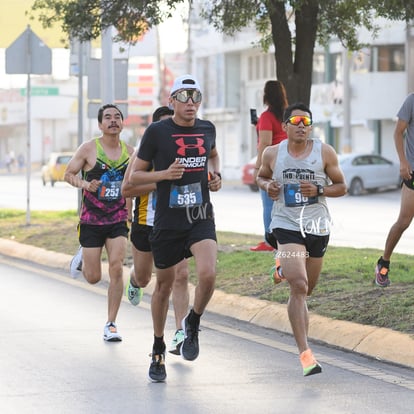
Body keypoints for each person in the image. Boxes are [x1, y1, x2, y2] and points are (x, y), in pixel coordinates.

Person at [128, 74, 222, 382]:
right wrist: (165, 174)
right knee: (164, 286)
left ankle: (192, 322)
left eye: (196, 97)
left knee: (208, 273)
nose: (191, 103)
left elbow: (212, 154)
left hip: (199, 214)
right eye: (184, 96)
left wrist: (214, 174)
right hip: (167, 219)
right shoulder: (157, 132)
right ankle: (158, 348)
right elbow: (134, 180)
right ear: (172, 101)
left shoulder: (208, 128)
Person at [256, 102, 346, 376]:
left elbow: (341, 186)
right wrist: (268, 186)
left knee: (308, 290)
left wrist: (319, 188)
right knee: (299, 284)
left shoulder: (324, 152)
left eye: (306, 122)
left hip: (317, 225)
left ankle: (282, 267)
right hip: (287, 224)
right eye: (296, 121)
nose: (301, 126)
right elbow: (261, 177)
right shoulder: (273, 153)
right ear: (284, 126)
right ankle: (305, 354)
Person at [121, 105, 190, 355]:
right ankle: (133, 278)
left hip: (176, 224)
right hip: (146, 223)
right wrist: (160, 179)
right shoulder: (142, 156)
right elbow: (126, 190)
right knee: (143, 278)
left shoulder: (186, 153)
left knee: (180, 276)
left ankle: (181, 333)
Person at [64, 104, 134, 342]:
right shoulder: (88, 149)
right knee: (93, 277)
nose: (113, 121)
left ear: (123, 123)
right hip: (91, 220)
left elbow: (131, 188)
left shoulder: (131, 153)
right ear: (100, 124)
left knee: (116, 266)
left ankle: (111, 324)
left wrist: (129, 213)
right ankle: (83, 254)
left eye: (117, 117)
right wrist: (85, 185)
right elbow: (68, 174)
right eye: (108, 117)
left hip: (116, 219)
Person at [375, 93, 414, 287]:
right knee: (404, 221)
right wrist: (403, 162)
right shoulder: (411, 101)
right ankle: (384, 263)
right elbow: (398, 132)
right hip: (413, 172)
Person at [251, 80, 288, 252]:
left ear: (266, 95)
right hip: (286, 163)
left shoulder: (267, 117)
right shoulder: (286, 116)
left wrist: (258, 168)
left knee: (268, 205)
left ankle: (270, 241)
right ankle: (284, 239)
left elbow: (265, 144)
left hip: (271, 165)